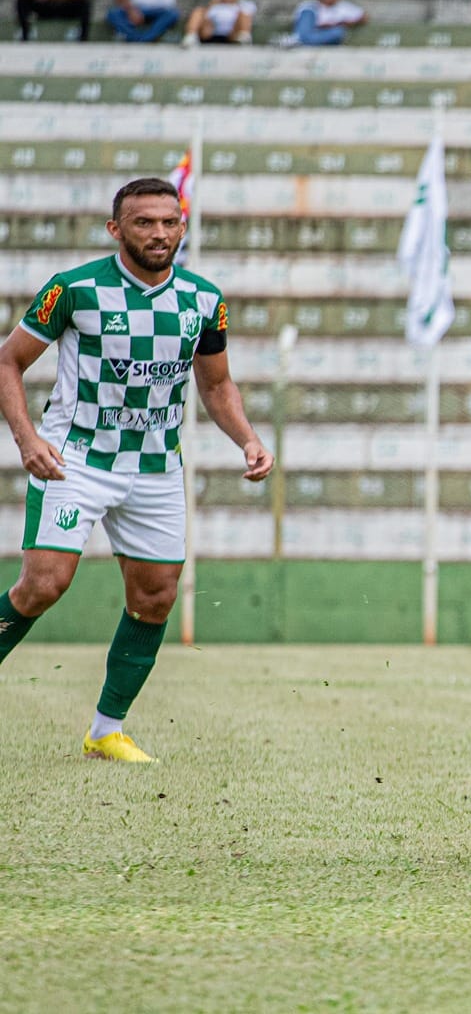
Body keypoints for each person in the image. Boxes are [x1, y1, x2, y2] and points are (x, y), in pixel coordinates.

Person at [0, 177, 274, 762]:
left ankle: (105, 730)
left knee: (155, 597)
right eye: (144, 222)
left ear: (182, 226)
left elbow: (217, 384)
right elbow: (8, 363)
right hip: (74, 457)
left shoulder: (205, 300)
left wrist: (247, 439)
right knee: (44, 584)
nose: (159, 233)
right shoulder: (73, 290)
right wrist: (27, 441)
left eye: (169, 222)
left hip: (154, 466)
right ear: (115, 228)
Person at [288, 0, 366, 47]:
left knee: (338, 32)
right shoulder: (310, 5)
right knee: (308, 11)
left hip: (325, 34)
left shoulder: (343, 7)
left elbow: (363, 17)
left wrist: (341, 23)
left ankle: (299, 41)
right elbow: (303, 25)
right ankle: (302, 40)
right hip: (310, 31)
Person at [180, 0, 254, 46]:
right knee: (198, 11)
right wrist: (211, 5)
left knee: (244, 14)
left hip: (232, 35)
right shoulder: (214, 5)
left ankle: (244, 38)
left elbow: (247, 18)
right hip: (210, 33)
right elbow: (205, 19)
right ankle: (191, 36)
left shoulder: (243, 6)